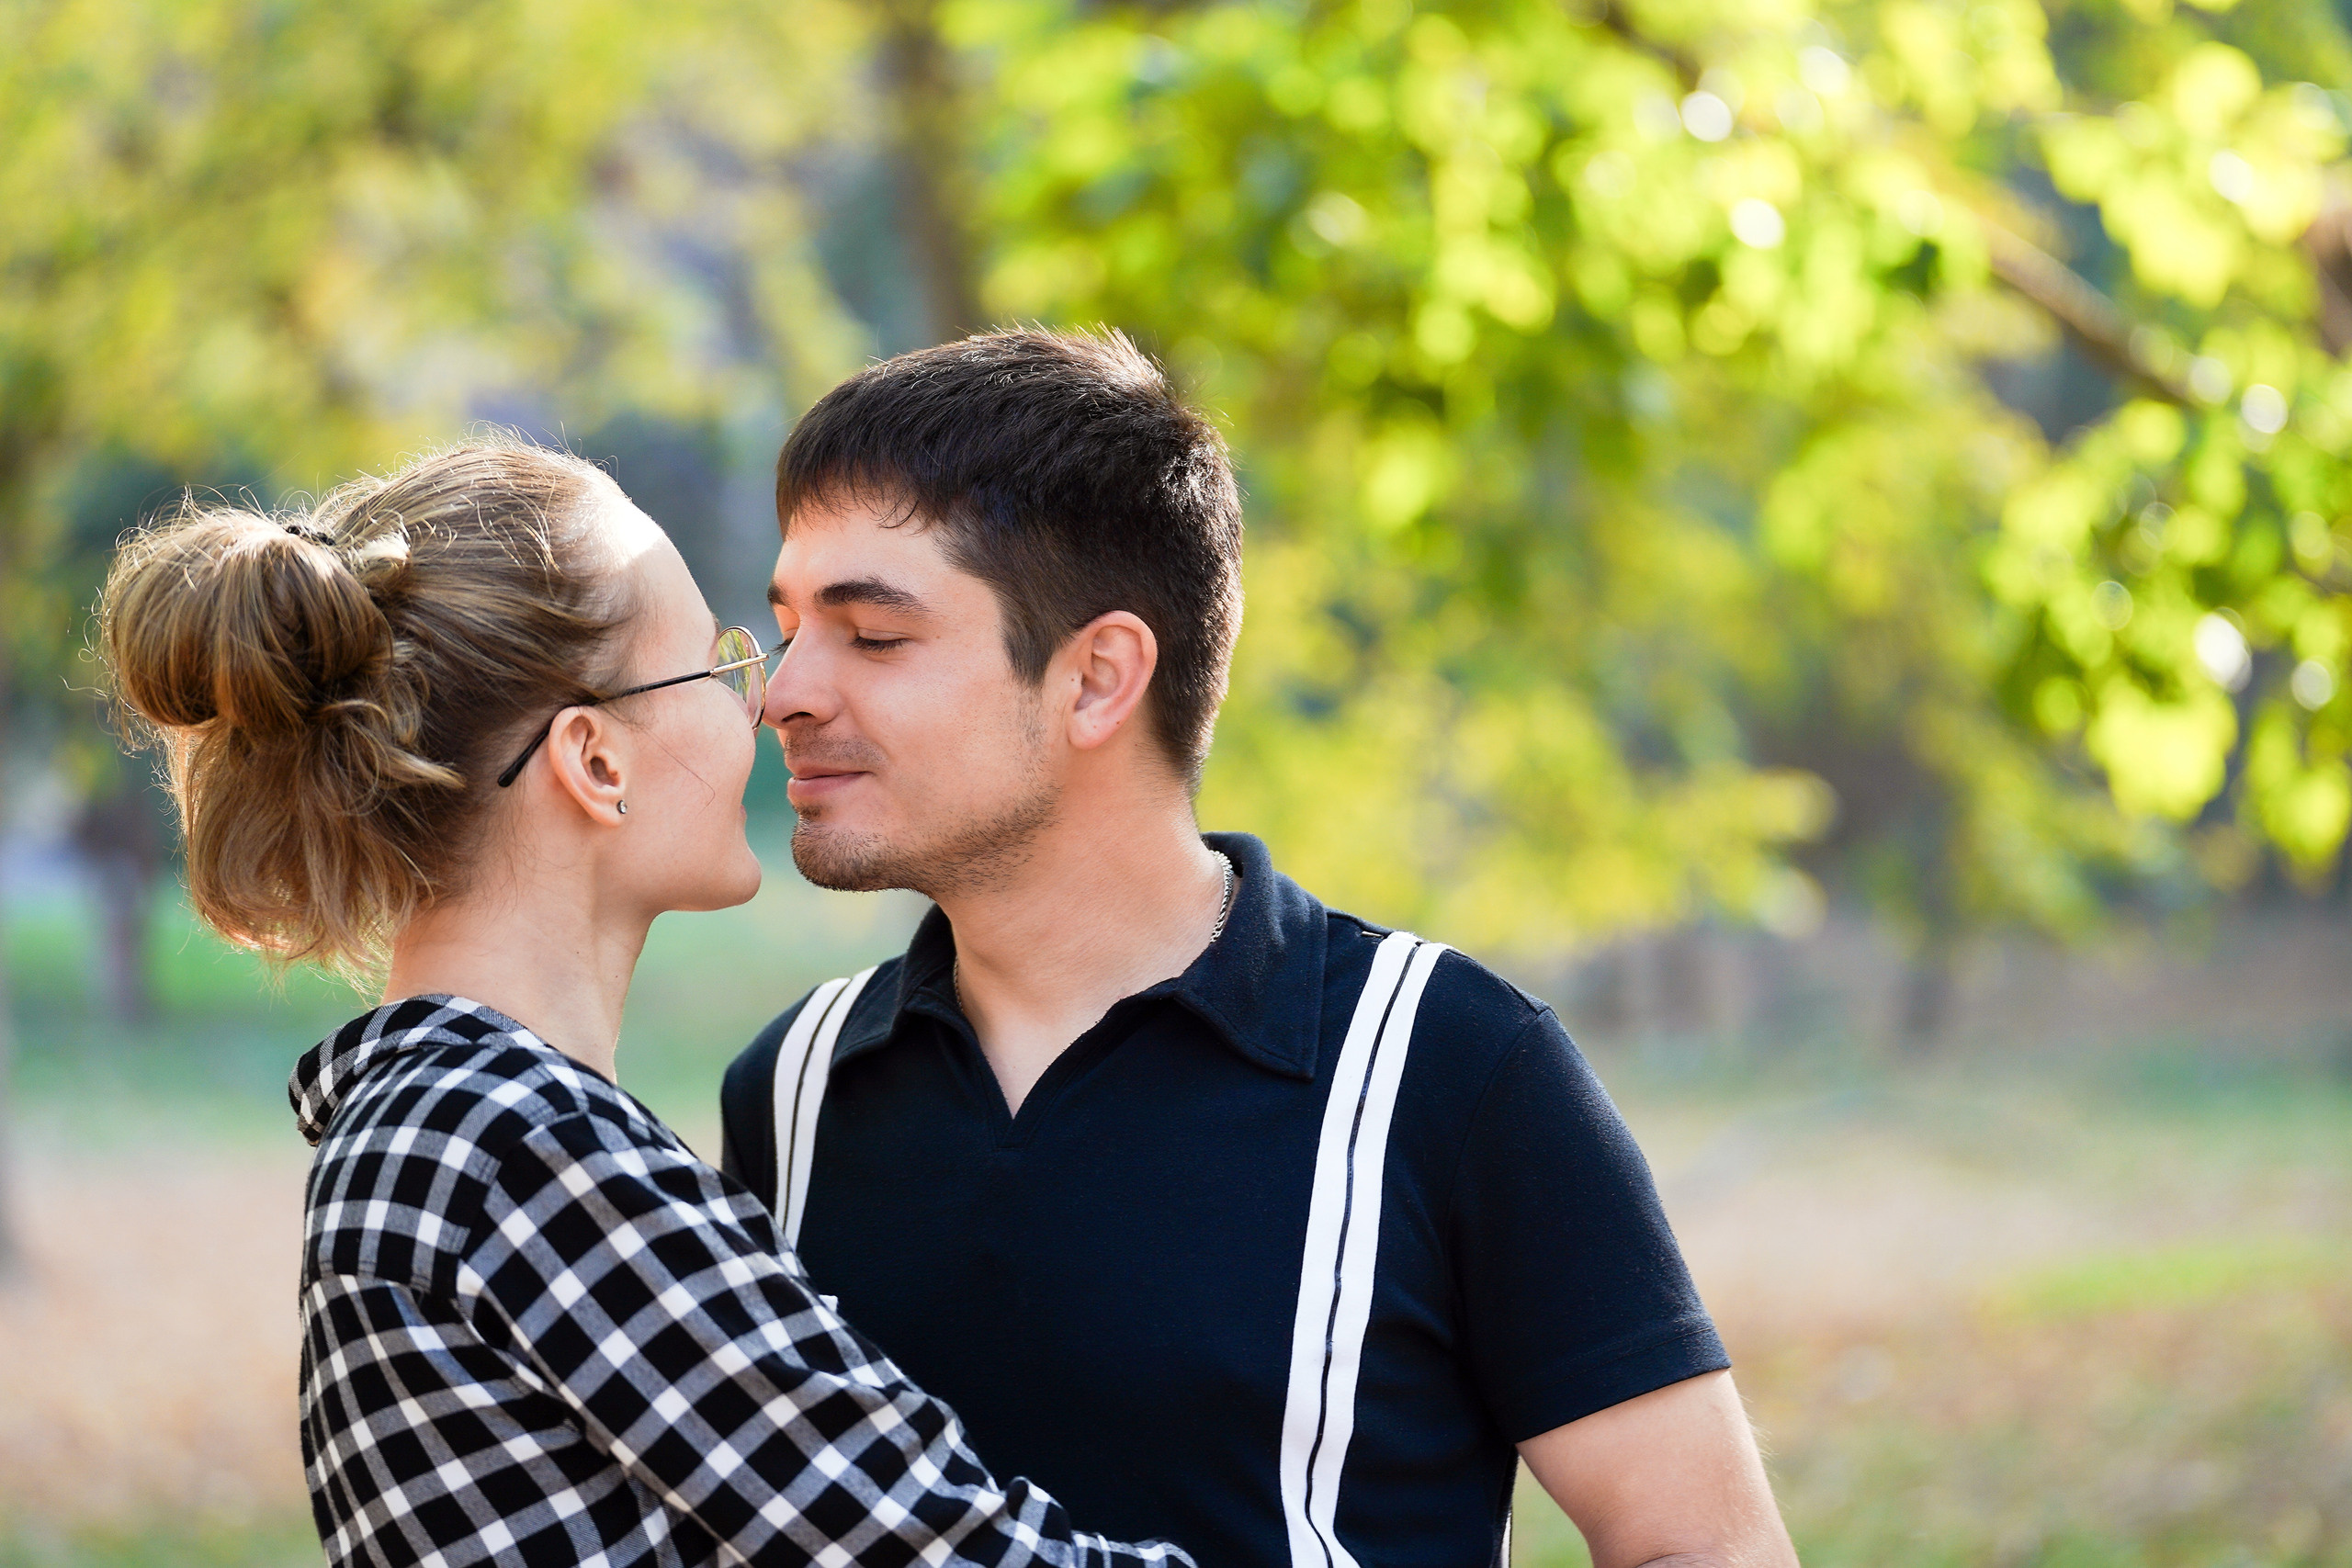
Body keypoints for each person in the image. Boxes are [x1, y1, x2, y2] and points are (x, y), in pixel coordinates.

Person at [719, 330, 1798, 1568]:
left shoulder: (1450, 1067)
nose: (783, 692)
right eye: (789, 625)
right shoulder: (790, 1090)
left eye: (872, 634)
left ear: (1097, 677)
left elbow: (1702, 1546)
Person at [99, 438, 1192, 1568]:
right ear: (595, 762)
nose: (767, 707)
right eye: (720, 670)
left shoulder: (436, 1123)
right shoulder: (520, 1152)